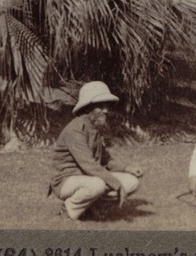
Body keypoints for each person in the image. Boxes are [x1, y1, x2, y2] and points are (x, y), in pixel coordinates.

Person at [50, 81, 143, 220]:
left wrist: (127, 168)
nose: (106, 110)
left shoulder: (95, 129)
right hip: (67, 180)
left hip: (88, 177)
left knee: (132, 182)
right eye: (100, 106)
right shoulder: (75, 130)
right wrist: (116, 184)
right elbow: (89, 165)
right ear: (88, 108)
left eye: (107, 106)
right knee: (97, 184)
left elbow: (106, 160)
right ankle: (68, 210)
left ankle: (92, 207)